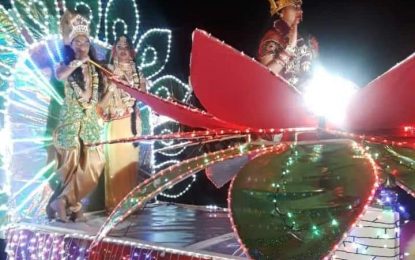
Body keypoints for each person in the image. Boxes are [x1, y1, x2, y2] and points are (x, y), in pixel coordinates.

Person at [47, 11, 106, 222]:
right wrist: (79, 62)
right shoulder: (64, 66)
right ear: (70, 46)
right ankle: (70, 206)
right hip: (70, 121)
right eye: (77, 42)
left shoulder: (97, 70)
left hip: (90, 121)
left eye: (85, 43)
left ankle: (64, 201)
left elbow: (100, 96)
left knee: (95, 163)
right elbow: (60, 75)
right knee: (70, 165)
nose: (82, 46)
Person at [99, 35, 147, 212]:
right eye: (119, 47)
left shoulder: (138, 73)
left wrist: (129, 84)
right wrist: (113, 84)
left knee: (131, 164)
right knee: (116, 164)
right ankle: (115, 206)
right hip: (115, 121)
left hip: (132, 122)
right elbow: (101, 103)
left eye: (126, 47)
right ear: (114, 50)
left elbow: (144, 96)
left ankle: (129, 204)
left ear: (132, 52)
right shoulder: (107, 70)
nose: (123, 50)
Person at [258, 0, 318, 89]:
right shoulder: (273, 37)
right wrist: (289, 49)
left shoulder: (307, 39)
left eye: (300, 7)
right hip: (279, 96)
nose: (300, 11)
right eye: (294, 7)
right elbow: (264, 76)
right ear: (281, 12)